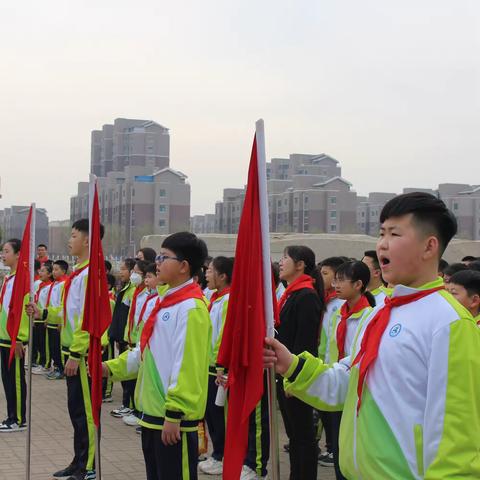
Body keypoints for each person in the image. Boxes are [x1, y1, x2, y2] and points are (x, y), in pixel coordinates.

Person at [264, 192, 480, 479]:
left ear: (429, 247)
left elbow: (458, 438)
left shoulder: (449, 323)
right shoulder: (381, 313)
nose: (382, 244)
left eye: (394, 233)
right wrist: (292, 364)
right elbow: (349, 381)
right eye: (381, 233)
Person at [103, 232, 212, 480]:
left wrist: (174, 413)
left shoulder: (191, 308)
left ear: (184, 266)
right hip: (152, 415)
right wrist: (110, 368)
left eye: (164, 257)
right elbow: (147, 353)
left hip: (173, 419)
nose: (158, 262)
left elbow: (188, 365)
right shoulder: (165, 302)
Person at [52, 218, 104, 480]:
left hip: (80, 356)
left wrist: (76, 353)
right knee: (75, 413)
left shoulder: (91, 275)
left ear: (87, 240)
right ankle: (78, 460)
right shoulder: (77, 274)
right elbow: (68, 313)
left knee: (86, 411)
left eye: (73, 236)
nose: (69, 240)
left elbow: (89, 319)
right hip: (68, 350)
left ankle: (88, 465)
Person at [276, 245, 324, 480]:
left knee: (303, 437)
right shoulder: (292, 294)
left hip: (296, 378)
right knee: (294, 435)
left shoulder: (306, 296)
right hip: (286, 375)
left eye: (286, 258)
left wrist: (293, 380)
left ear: (300, 264)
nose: (281, 262)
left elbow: (305, 345)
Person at [327, 260, 375, 480]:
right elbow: (329, 349)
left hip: (355, 390)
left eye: (341, 280)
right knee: (338, 445)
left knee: (355, 445)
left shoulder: (369, 317)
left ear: (358, 284)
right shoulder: (340, 313)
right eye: (334, 279)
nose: (336, 285)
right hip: (337, 384)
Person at [199, 256, 234, 475]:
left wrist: (221, 365)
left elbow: (224, 336)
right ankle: (217, 453)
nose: (206, 275)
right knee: (211, 414)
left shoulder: (229, 300)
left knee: (219, 414)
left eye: (211, 271)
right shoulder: (215, 298)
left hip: (218, 367)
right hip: (210, 364)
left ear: (223, 276)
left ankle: (222, 456)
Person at [316, 256, 346, 467]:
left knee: (336, 418)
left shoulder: (341, 305)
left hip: (338, 369)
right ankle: (332, 449)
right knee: (327, 415)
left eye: (325, 274)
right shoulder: (326, 301)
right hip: (325, 365)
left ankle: (335, 451)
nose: (321, 277)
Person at [0, 239, 28, 432]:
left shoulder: (22, 279)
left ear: (18, 254)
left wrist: (20, 337)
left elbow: (24, 310)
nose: (3, 255)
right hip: (4, 338)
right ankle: (11, 415)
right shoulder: (9, 278)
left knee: (16, 379)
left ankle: (18, 419)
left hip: (14, 340)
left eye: (6, 251)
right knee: (8, 379)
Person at [107, 258, 136, 409]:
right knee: (126, 374)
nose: (120, 272)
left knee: (131, 376)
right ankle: (127, 405)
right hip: (124, 337)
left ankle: (131, 406)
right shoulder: (126, 289)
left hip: (132, 340)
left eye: (124, 269)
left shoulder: (133, 291)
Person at [44, 260, 69, 380]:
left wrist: (61, 321)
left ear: (63, 271)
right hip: (51, 320)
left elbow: (63, 303)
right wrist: (47, 318)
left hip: (58, 321)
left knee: (58, 347)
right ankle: (57, 367)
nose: (53, 272)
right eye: (53, 269)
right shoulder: (55, 284)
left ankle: (62, 369)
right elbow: (51, 303)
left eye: (56, 269)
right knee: (52, 346)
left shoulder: (65, 284)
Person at [31, 260, 54, 375]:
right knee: (38, 342)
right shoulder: (40, 285)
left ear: (49, 274)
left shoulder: (51, 286)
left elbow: (49, 303)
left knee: (44, 343)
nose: (40, 272)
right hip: (37, 317)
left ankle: (45, 364)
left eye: (43, 271)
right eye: (40, 270)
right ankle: (39, 363)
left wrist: (46, 318)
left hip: (44, 317)